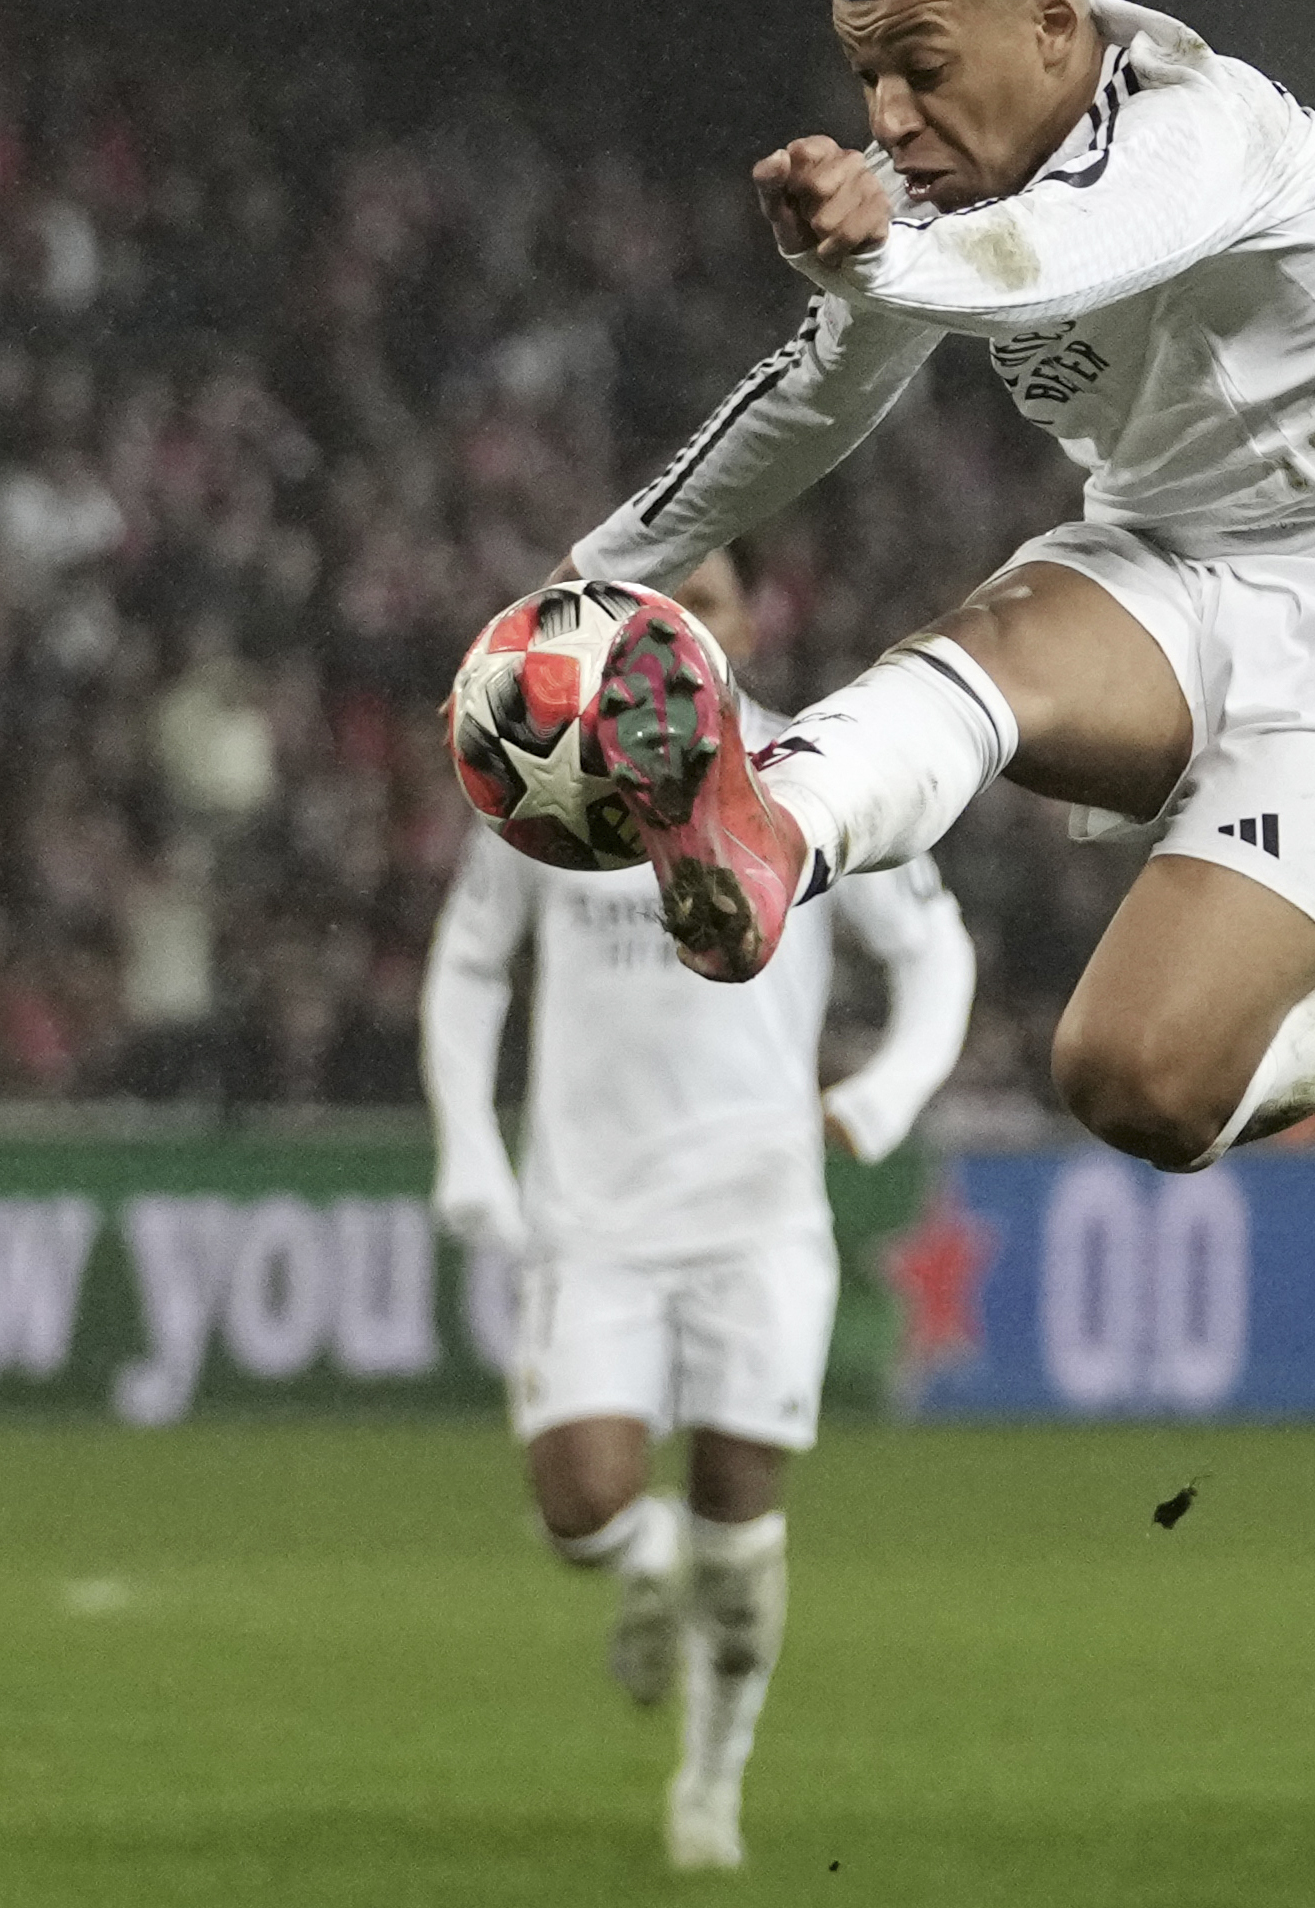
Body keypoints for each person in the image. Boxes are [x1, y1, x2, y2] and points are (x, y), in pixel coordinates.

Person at [544, 0, 1315, 1178]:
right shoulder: (931, 193)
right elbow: (812, 394)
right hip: (1170, 560)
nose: (890, 116)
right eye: (866, 78)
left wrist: (882, 256)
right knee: (997, 644)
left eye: (923, 68)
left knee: (1136, 1083)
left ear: (1053, 29)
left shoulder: (1207, 127)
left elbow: (1054, 263)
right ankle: (766, 834)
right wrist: (586, 582)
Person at [422, 552, 977, 1872]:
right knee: (583, 1509)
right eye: (653, 611)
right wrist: (468, 1144)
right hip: (592, 1216)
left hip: (758, 1212)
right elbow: (468, 963)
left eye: (707, 606)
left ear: (741, 629)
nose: (672, 634)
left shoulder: (813, 772)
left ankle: (711, 1784)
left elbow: (935, 949)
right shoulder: (549, 778)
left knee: (744, 1532)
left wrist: (884, 1094)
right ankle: (643, 1559)